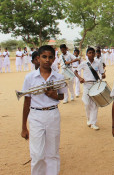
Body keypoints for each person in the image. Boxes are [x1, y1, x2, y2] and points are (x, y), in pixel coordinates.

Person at [21, 45, 67, 175]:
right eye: (44, 57)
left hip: (53, 114)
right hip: (36, 115)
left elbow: (62, 96)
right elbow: (27, 102)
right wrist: (24, 126)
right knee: (37, 154)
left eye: (50, 57)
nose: (47, 60)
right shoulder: (29, 77)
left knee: (52, 152)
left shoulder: (59, 77)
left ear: (54, 59)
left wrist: (54, 96)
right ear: (38, 58)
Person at [74, 47, 105, 130]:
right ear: (87, 54)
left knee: (95, 104)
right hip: (87, 85)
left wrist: (103, 75)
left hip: (95, 85)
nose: (91, 54)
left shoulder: (98, 63)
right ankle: (88, 118)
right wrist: (80, 78)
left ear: (95, 54)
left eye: (92, 53)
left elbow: (102, 73)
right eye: (89, 53)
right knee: (87, 103)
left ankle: (93, 123)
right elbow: (75, 71)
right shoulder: (84, 63)